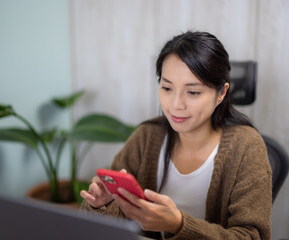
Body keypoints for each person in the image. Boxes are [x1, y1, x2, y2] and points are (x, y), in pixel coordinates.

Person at [80, 31, 272, 240]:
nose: (176, 105)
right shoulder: (146, 137)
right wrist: (101, 205)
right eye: (167, 88)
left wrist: (178, 224)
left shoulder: (246, 147)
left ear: (221, 93)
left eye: (193, 92)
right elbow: (100, 229)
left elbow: (252, 236)